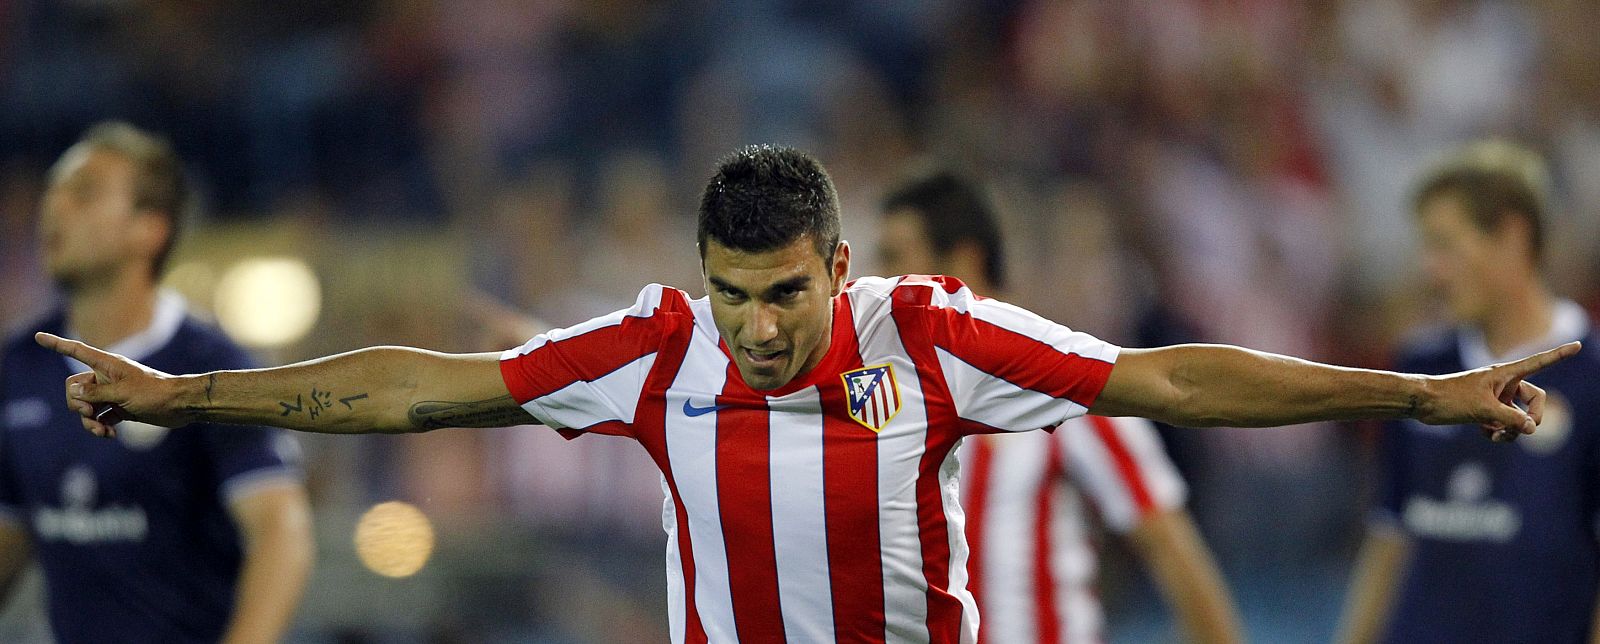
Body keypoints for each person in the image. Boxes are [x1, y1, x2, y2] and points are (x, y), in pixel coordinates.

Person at [36, 145, 1575, 643]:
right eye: (733, 295)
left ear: (840, 267)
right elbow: (417, 396)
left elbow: (1163, 376)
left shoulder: (937, 331)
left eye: (784, 295)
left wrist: (1413, 397)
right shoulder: (656, 344)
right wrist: (194, 396)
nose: (757, 330)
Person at [876, 170, 1242, 643]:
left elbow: (1176, 557)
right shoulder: (894, 399)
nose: (877, 283)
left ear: (961, 261)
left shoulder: (1068, 387)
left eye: (894, 259)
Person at [0, 122, 314, 643]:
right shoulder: (18, 366)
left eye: (83, 192)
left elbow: (281, 532)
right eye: (53, 191)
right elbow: (10, 536)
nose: (54, 208)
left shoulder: (212, 368)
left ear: (150, 229)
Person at [1335, 141, 1600, 644]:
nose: (1430, 269)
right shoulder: (1419, 369)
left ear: (1512, 236)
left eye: (1445, 245)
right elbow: (1390, 536)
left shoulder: (1592, 377)